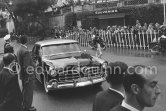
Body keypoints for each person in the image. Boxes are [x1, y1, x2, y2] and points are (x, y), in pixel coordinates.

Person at [16, 35, 36, 111]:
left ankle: (25, 105)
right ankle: (27, 107)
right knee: (29, 92)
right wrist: (28, 77)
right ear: (26, 41)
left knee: (25, 91)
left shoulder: (19, 49)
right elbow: (27, 66)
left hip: (23, 74)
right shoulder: (26, 51)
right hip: (28, 76)